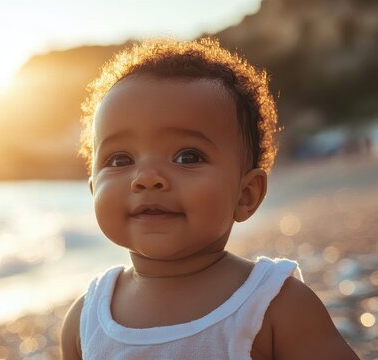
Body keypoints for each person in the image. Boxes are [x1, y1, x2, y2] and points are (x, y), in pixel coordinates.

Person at [60, 38, 359, 359]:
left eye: (187, 157)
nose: (147, 178)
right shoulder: (85, 320)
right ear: (93, 189)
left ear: (246, 195)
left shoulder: (274, 306)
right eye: (120, 160)